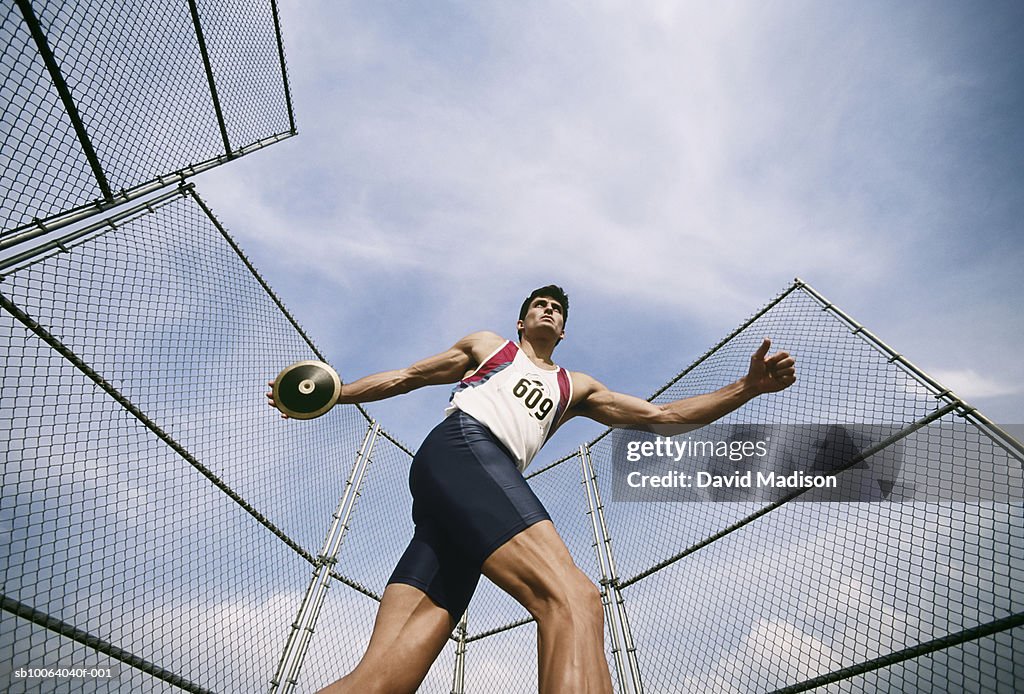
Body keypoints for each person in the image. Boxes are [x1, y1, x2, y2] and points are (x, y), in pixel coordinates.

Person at [267, 285, 796, 693]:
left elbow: (663, 416)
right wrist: (335, 394)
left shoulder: (576, 386)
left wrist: (745, 387)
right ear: (522, 321)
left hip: (462, 499)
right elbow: (407, 376)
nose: (549, 311)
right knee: (575, 598)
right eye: (539, 305)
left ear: (562, 330)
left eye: (557, 310)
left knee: (383, 681)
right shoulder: (489, 348)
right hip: (463, 450)